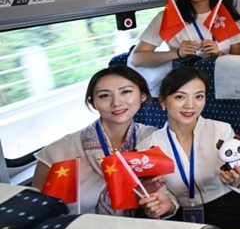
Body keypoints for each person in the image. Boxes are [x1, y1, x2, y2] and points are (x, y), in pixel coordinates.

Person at [138, 67, 240, 229]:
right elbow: (163, 194)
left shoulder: (222, 130)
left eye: (199, 97)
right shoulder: (147, 147)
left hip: (228, 210)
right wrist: (166, 205)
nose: (190, 105)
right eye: (180, 97)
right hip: (180, 218)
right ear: (162, 101)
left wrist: (236, 180)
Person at [34, 66, 157, 214]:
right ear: (93, 103)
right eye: (105, 96)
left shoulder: (153, 139)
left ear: (142, 96)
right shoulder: (57, 153)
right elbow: (39, 211)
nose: (116, 103)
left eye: (126, 92)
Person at [129, 0, 240, 94]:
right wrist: (177, 53)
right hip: (185, 92)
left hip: (224, 91)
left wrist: (219, 54)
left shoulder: (228, 18)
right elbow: (136, 59)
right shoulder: (168, 16)